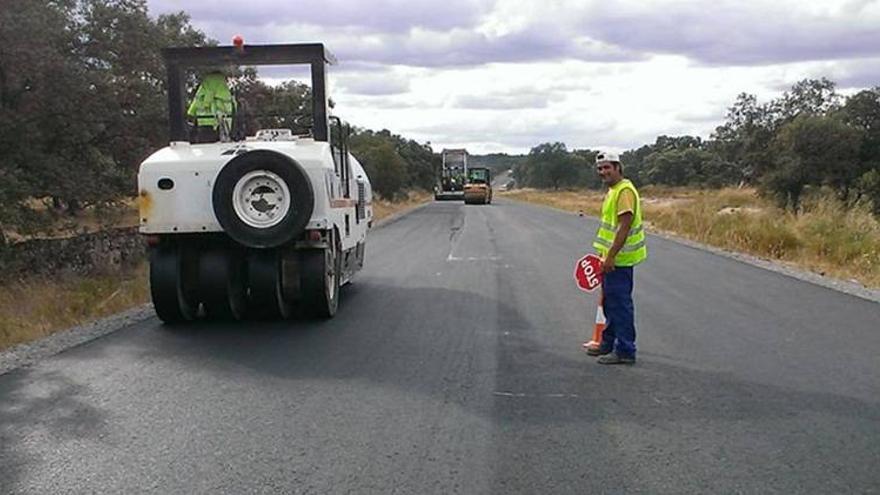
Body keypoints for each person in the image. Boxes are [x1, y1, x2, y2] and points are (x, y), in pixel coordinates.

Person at [587, 151, 647, 365]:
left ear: (618, 167)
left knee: (620, 305)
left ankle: (625, 350)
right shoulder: (614, 190)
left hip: (619, 260)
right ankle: (608, 343)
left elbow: (624, 226)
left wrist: (611, 256)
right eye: (600, 168)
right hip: (610, 259)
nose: (603, 172)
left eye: (607, 167)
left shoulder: (624, 191)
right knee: (610, 303)